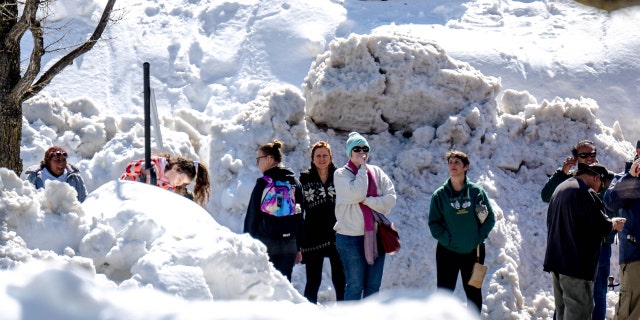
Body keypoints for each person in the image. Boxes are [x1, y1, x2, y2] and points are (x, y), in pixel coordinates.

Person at [540, 139, 615, 320]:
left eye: (592, 154)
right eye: (584, 155)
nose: (589, 158)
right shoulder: (572, 181)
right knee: (571, 298)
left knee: (597, 294)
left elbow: (614, 201)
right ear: (575, 158)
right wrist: (562, 173)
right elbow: (546, 195)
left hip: (601, 245)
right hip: (574, 249)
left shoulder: (604, 176)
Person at [428, 150, 496, 313]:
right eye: (450, 162)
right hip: (447, 252)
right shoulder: (440, 195)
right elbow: (434, 223)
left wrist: (477, 238)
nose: (453, 165)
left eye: (457, 162)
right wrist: (448, 240)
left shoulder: (475, 193)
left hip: (473, 252)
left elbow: (488, 219)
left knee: (473, 292)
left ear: (466, 166)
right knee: (444, 294)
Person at [333, 132, 396, 301]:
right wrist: (361, 169)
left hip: (376, 237)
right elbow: (357, 192)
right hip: (350, 239)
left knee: (373, 287)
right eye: (357, 148)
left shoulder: (377, 172)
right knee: (355, 286)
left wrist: (367, 201)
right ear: (349, 152)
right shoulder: (341, 174)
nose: (361, 152)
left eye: (365, 148)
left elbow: (390, 200)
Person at [243, 139, 304, 281]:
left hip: (266, 242)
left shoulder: (263, 183)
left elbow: (253, 216)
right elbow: (300, 216)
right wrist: (298, 246)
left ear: (269, 159)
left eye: (259, 159)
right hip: (289, 243)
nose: (257, 163)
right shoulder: (294, 183)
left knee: (266, 285)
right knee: (284, 284)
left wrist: (248, 244)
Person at [299, 141, 345, 303]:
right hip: (313, 236)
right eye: (318, 155)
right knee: (313, 281)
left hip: (338, 234)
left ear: (331, 157)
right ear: (312, 159)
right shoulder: (304, 179)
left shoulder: (341, 177)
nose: (322, 159)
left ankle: (345, 315)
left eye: (325, 155)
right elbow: (299, 210)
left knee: (340, 281)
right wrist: (299, 239)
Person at [603, 158, 640, 320]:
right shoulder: (623, 178)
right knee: (629, 310)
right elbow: (610, 202)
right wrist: (631, 177)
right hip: (635, 256)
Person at [120, 153, 211, 207]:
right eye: (180, 178)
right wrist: (145, 168)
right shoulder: (155, 163)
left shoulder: (169, 187)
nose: (179, 183)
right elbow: (129, 169)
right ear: (175, 168)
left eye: (183, 183)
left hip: (139, 204)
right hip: (125, 194)